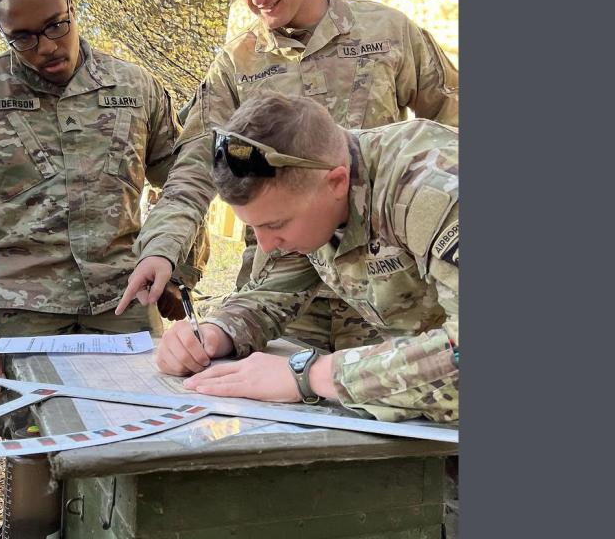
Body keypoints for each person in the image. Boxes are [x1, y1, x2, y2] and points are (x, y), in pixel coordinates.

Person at [116, 0, 458, 352]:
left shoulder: (388, 33)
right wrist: (162, 250)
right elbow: (193, 169)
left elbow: (453, 121)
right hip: (280, 290)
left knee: (394, 393)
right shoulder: (236, 63)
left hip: (390, 292)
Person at [158, 92, 459, 537]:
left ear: (337, 182)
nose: (265, 244)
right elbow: (276, 289)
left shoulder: (431, 189)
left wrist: (311, 376)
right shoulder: (315, 196)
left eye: (275, 226)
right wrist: (217, 331)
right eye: (254, 227)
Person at [0, 0, 208, 414]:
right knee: (36, 450)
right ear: (6, 34)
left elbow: (185, 183)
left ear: (72, 9)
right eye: (23, 37)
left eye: (56, 25)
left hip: (123, 306)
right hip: (23, 315)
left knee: (137, 436)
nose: (46, 47)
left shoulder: (137, 87)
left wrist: (180, 271)